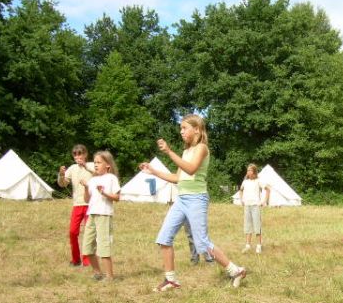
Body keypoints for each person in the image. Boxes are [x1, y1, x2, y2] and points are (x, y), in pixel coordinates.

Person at [140, 114, 247, 291]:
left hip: (197, 199)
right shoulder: (186, 151)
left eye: (184, 128)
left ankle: (236, 271)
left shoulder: (202, 148)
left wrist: (168, 152)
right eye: (180, 128)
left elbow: (190, 170)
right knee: (164, 238)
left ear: (196, 129)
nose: (181, 131)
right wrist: (153, 171)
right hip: (181, 199)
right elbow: (177, 177)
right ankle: (171, 280)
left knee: (202, 243)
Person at [80, 151, 120, 281]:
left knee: (103, 246)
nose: (96, 165)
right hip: (91, 214)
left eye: (99, 162)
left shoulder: (111, 178)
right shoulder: (93, 180)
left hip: (104, 215)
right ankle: (97, 273)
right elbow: (86, 200)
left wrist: (105, 193)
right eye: (95, 162)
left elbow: (117, 197)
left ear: (107, 165)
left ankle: (109, 277)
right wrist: (86, 187)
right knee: (87, 247)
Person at [57, 144, 94, 267]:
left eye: (80, 154)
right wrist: (61, 175)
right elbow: (63, 184)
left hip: (91, 204)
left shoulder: (92, 165)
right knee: (73, 232)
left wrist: (85, 166)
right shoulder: (72, 168)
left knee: (88, 233)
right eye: (75, 154)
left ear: (85, 154)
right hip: (77, 204)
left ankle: (87, 260)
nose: (78, 156)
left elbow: (101, 174)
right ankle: (76, 259)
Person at [239, 164, 270, 254]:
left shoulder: (258, 181)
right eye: (247, 170)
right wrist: (241, 200)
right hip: (247, 206)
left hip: (255, 206)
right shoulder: (245, 182)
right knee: (248, 226)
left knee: (257, 226)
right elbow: (240, 190)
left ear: (254, 172)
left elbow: (268, 189)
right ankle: (248, 245)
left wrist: (264, 201)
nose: (248, 172)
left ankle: (259, 246)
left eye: (250, 170)